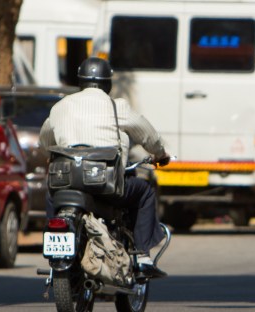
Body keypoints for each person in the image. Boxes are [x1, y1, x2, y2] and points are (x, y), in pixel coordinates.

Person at [39, 57, 171, 277]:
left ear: (80, 81)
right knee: (145, 192)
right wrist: (160, 154)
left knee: (52, 193)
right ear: (107, 83)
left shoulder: (60, 106)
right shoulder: (117, 107)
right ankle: (142, 256)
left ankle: (56, 250)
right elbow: (148, 135)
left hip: (66, 183)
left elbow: (45, 141)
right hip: (106, 185)